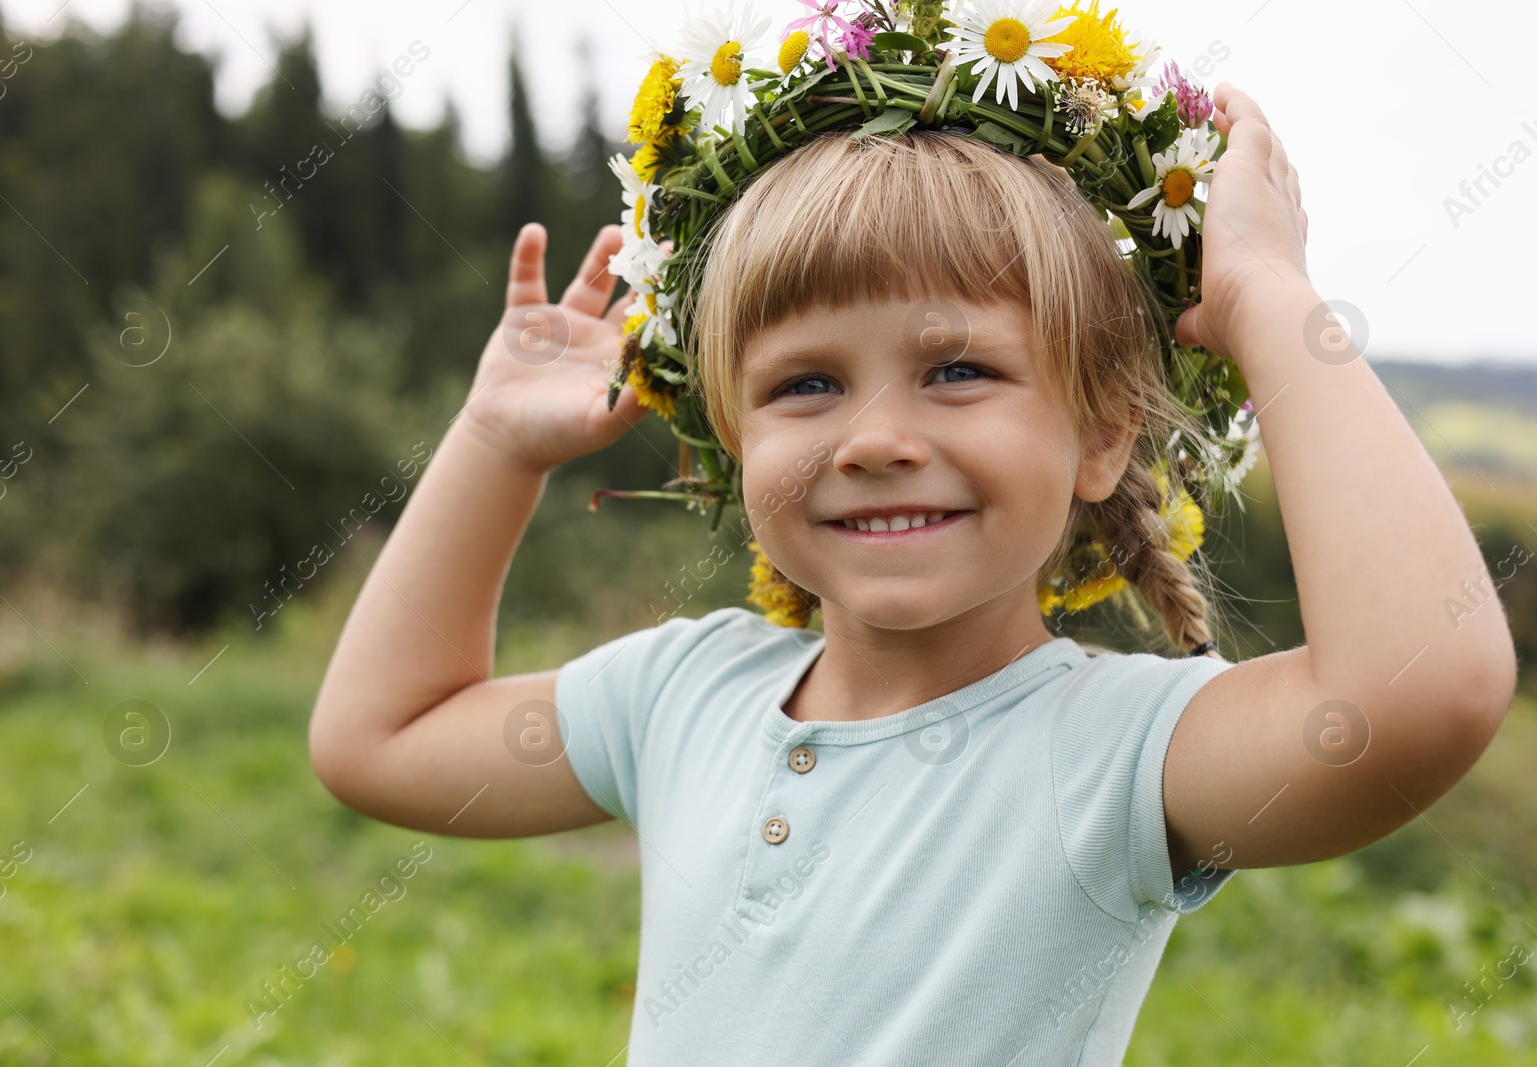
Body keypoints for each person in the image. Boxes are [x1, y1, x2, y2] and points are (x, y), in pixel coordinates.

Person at [307, 83, 1517, 1063]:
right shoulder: (682, 693)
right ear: (736, 443)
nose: (874, 437)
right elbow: (380, 737)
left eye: (957, 371)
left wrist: (1266, 300)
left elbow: (1423, 689)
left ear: (1100, 435)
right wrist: (490, 446)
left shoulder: (1114, 752)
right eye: (805, 384)